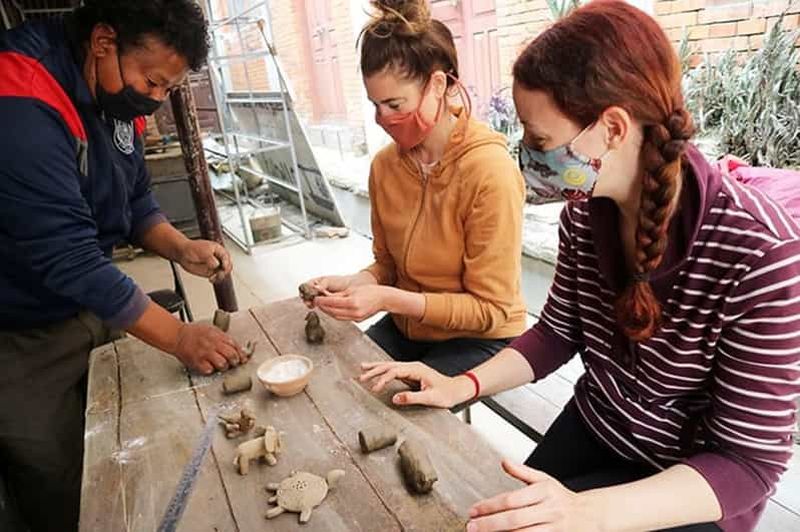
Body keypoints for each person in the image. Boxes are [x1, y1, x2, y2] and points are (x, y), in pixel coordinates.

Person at [360, 2, 800, 531]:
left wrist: (584, 511)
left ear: (612, 128)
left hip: (686, 484)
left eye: (540, 141)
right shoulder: (584, 217)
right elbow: (555, 334)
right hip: (600, 425)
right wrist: (461, 385)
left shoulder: (760, 253)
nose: (527, 156)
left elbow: (746, 463)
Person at [0, 2, 245, 531]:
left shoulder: (116, 95)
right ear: (104, 42)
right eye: (153, 82)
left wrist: (181, 247)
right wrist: (180, 337)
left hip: (86, 302)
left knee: (131, 439)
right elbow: (70, 259)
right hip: (16, 333)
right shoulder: (19, 100)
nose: (154, 100)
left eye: (166, 90)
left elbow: (134, 203)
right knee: (60, 480)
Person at [304, 0, 527, 377]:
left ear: (438, 85)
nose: (383, 120)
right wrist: (356, 283)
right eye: (376, 105)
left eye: (394, 104)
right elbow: (388, 266)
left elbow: (491, 310)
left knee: (392, 409)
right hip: (409, 327)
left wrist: (387, 299)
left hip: (480, 338)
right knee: (337, 382)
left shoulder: (490, 173)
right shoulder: (385, 167)